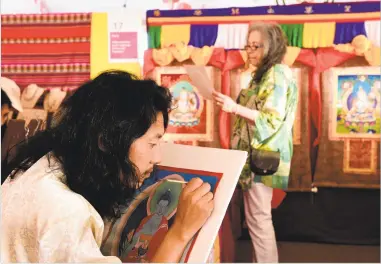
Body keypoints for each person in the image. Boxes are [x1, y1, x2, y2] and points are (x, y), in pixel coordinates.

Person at [1, 70, 214, 263]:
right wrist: (179, 234)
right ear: (107, 142)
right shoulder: (67, 212)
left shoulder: (43, 165)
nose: (158, 157)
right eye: (152, 143)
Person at [213, 22, 298, 263]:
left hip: (264, 156)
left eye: (256, 46)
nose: (250, 51)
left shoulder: (278, 73)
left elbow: (271, 119)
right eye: (248, 46)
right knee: (256, 220)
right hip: (254, 156)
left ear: (272, 46)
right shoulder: (262, 74)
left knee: (259, 220)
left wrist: (234, 107)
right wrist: (231, 104)